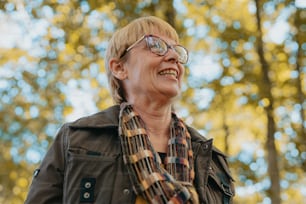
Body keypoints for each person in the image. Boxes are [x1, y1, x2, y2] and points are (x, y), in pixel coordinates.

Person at [25, 16, 234, 204]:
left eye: (177, 50)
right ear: (119, 68)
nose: (173, 57)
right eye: (156, 46)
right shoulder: (76, 139)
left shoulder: (212, 160)